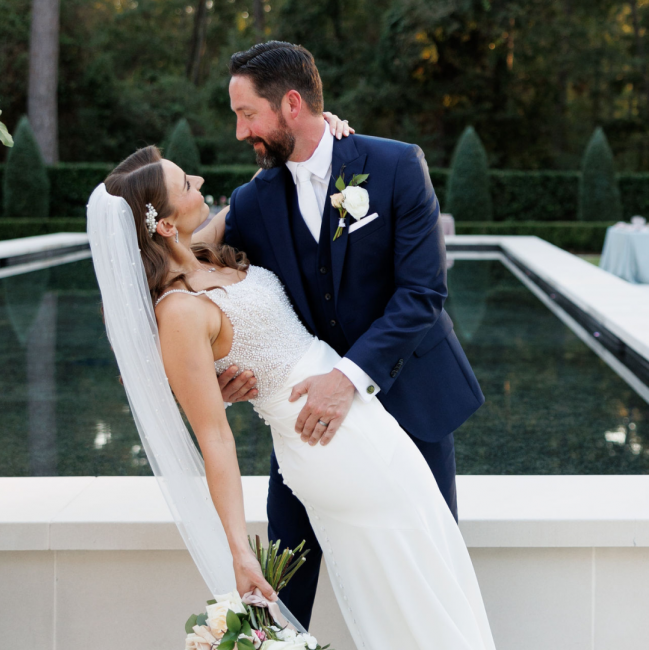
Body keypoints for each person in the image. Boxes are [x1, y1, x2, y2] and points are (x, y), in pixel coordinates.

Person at [88, 134, 495, 647]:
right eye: (185, 183)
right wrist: (237, 550)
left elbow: (267, 190)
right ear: (164, 223)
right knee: (411, 586)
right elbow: (215, 439)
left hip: (360, 418)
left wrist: (324, 134)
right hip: (325, 440)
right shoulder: (179, 313)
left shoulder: (202, 255)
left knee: (429, 569)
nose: (199, 181)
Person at [200, 41, 485, 630]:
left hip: (412, 403)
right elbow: (181, 270)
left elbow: (423, 294)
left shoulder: (397, 166)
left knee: (428, 581)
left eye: (247, 114)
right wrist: (221, 374)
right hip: (308, 430)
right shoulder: (252, 202)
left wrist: (347, 379)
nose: (238, 132)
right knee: (279, 596)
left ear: (292, 104)